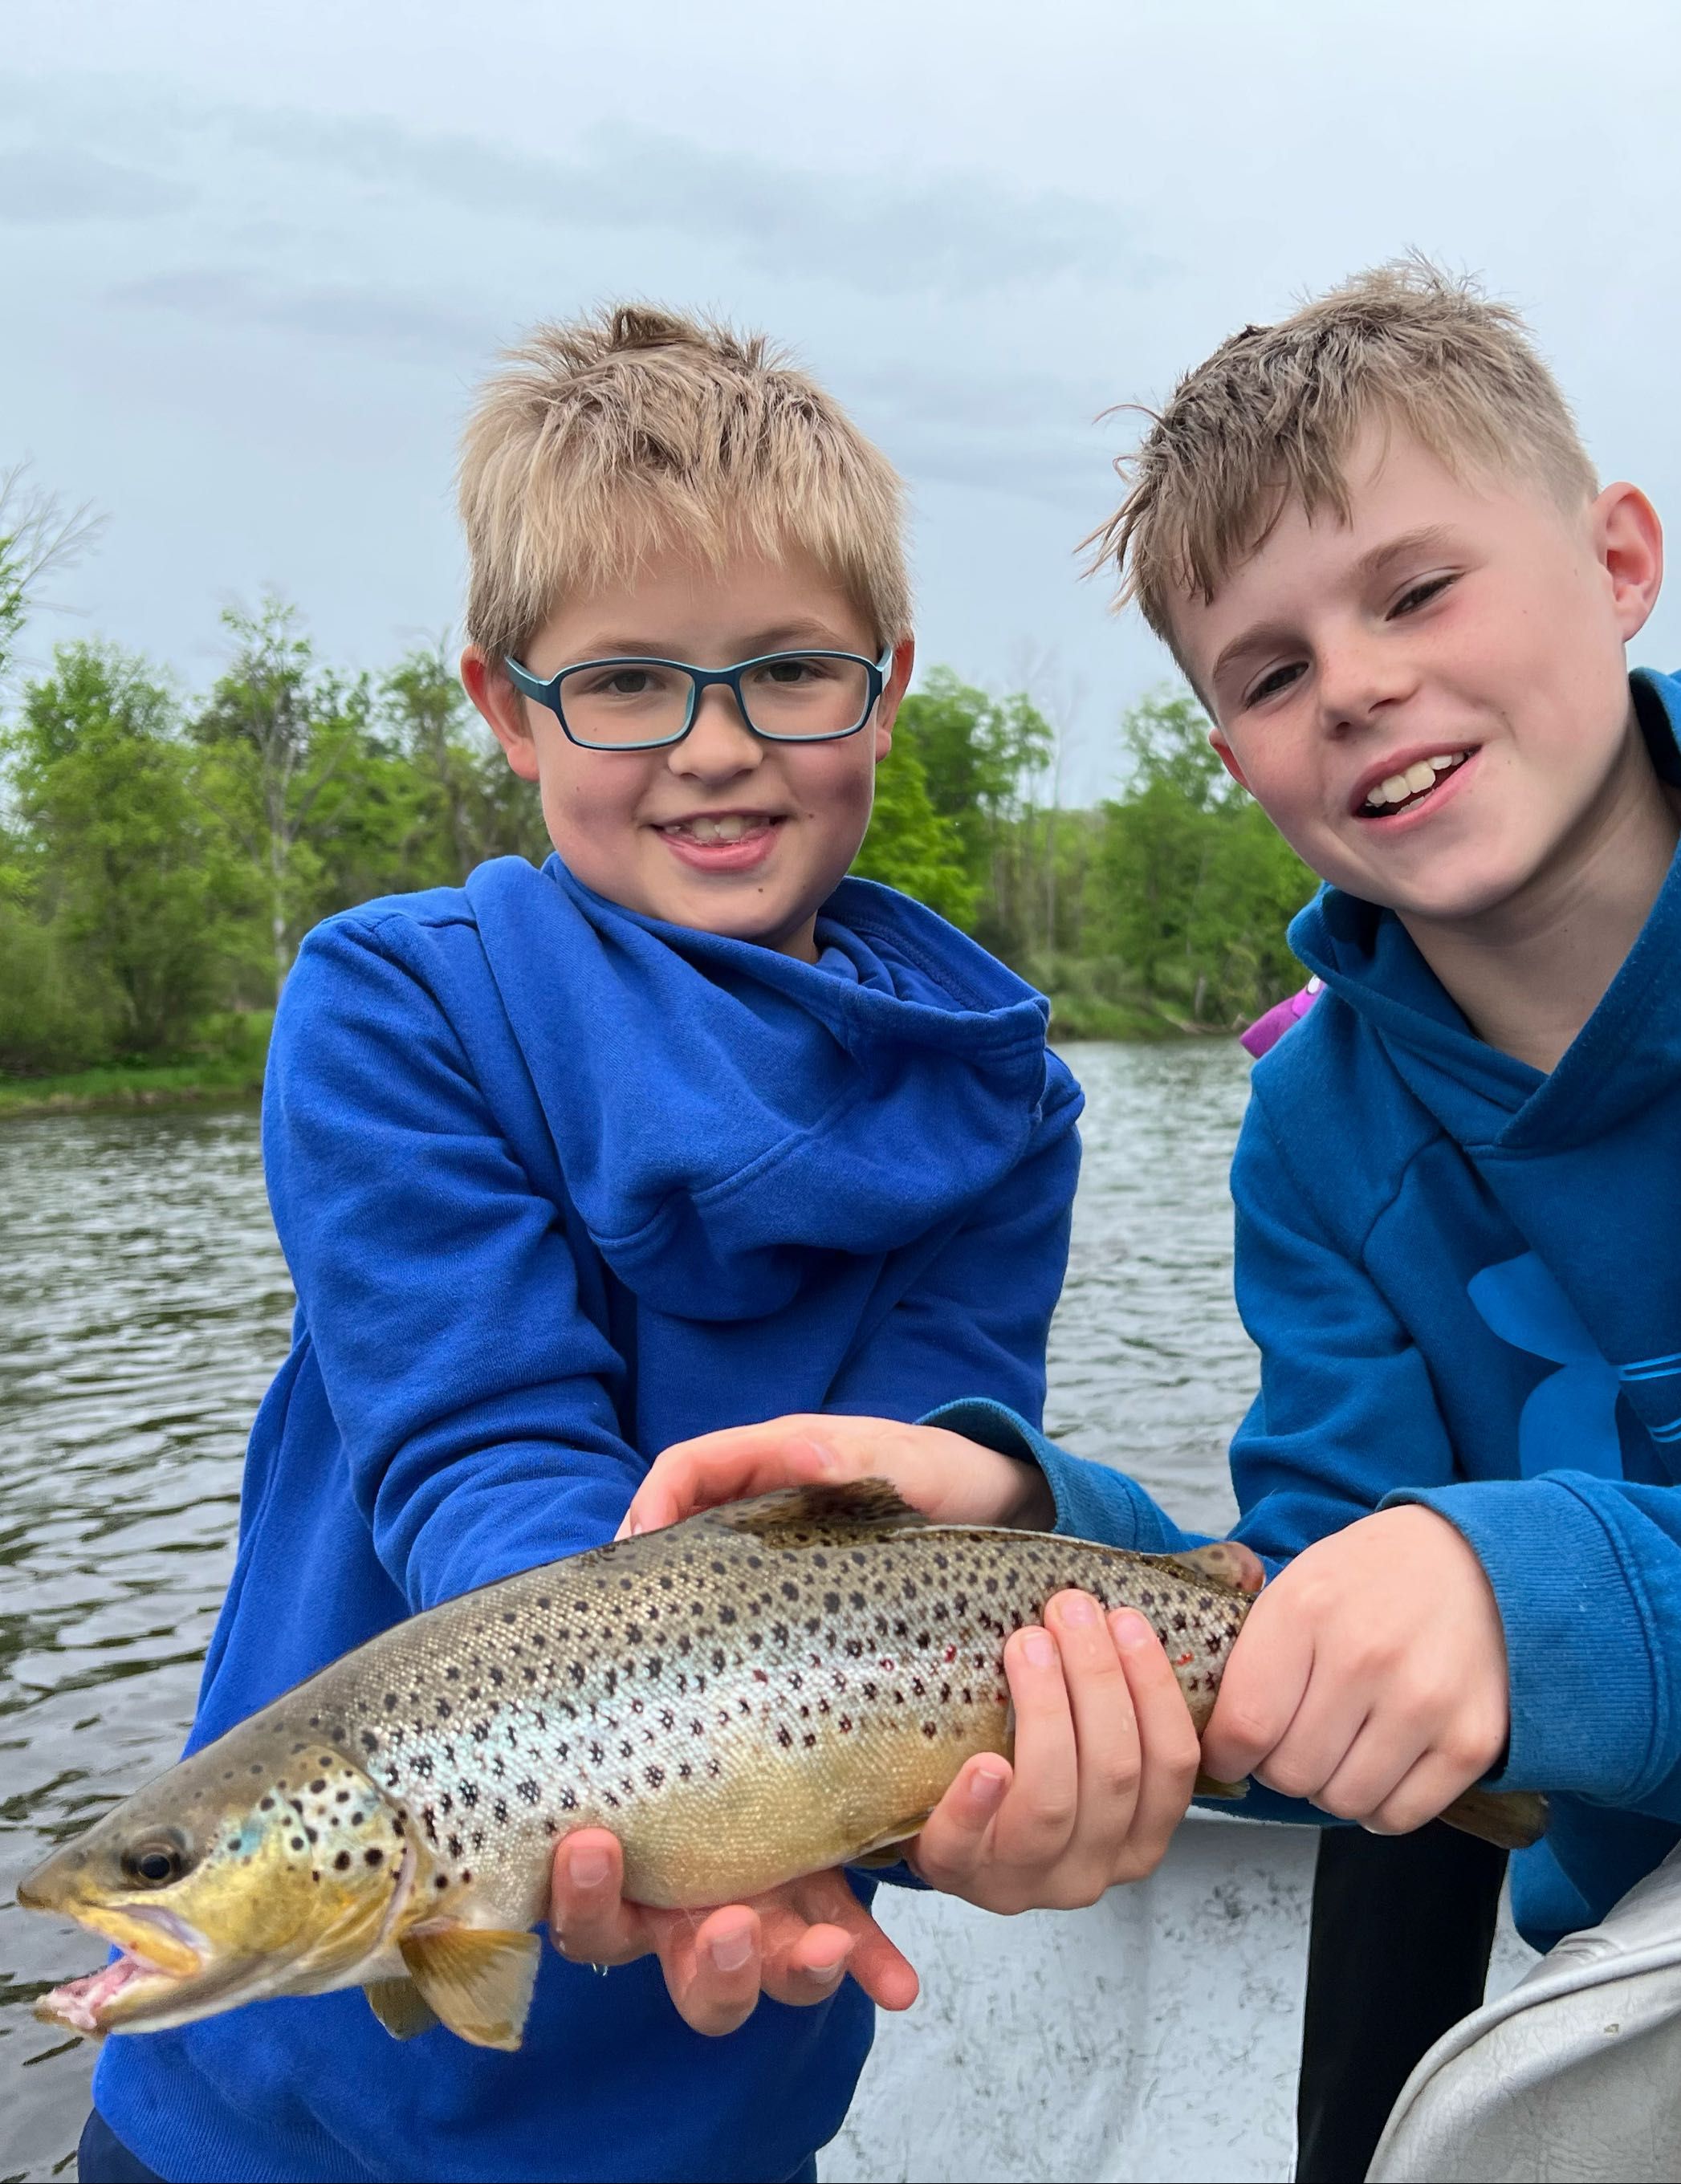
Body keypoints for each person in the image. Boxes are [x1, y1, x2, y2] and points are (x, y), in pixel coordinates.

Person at [82, 306, 1207, 2184]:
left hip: (725, 2081)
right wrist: (609, 1777)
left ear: (887, 683)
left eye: (785, 669)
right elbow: (481, 1443)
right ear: (505, 705)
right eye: (624, 682)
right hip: (281, 2114)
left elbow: (916, 1541)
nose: (715, 745)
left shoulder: (1009, 1112)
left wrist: (996, 1783)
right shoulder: (395, 1010)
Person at [620, 259, 1681, 2177]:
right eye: (1268, 671)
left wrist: (1536, 1590)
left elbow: (1494, 1597)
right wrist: (1030, 1529)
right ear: (1234, 757)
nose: (1355, 681)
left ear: (1620, 560)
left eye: (1420, 589)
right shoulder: (1309, 1138)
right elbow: (1310, 1595)